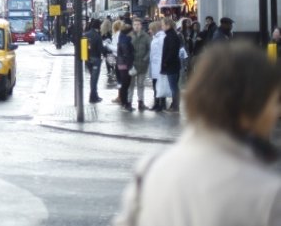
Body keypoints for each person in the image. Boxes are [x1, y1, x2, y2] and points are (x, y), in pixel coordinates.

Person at [112, 41, 281, 226]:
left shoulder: (149, 170)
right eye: (274, 102)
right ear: (250, 105)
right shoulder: (267, 195)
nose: (277, 112)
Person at [85, 18, 111, 103]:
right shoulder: (97, 36)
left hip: (87, 59)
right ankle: (93, 97)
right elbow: (101, 49)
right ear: (98, 26)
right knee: (94, 79)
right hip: (96, 59)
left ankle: (95, 95)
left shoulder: (86, 34)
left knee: (92, 78)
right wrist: (106, 51)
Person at [129, 17, 152, 111]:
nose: (136, 26)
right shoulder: (130, 36)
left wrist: (145, 59)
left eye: (138, 24)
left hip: (142, 65)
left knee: (141, 84)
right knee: (131, 85)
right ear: (132, 26)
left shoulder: (146, 36)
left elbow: (150, 49)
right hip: (132, 65)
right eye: (135, 25)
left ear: (141, 25)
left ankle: (141, 102)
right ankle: (129, 102)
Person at [160, 17, 182, 112]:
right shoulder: (171, 35)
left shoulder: (171, 36)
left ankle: (175, 105)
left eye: (163, 25)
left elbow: (172, 52)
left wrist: (165, 62)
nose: (162, 27)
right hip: (173, 64)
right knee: (174, 85)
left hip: (171, 65)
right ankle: (175, 104)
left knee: (173, 86)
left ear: (168, 25)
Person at [116, 23, 136, 111]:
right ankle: (125, 103)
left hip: (121, 63)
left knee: (125, 84)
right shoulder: (126, 40)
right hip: (125, 64)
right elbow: (127, 54)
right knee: (126, 84)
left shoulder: (122, 38)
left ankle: (124, 102)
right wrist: (130, 65)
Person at [148, 20, 166, 111]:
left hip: (159, 65)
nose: (149, 31)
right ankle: (157, 103)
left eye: (150, 29)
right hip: (155, 65)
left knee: (159, 86)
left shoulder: (161, 38)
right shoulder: (155, 38)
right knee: (155, 86)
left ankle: (161, 104)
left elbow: (163, 51)